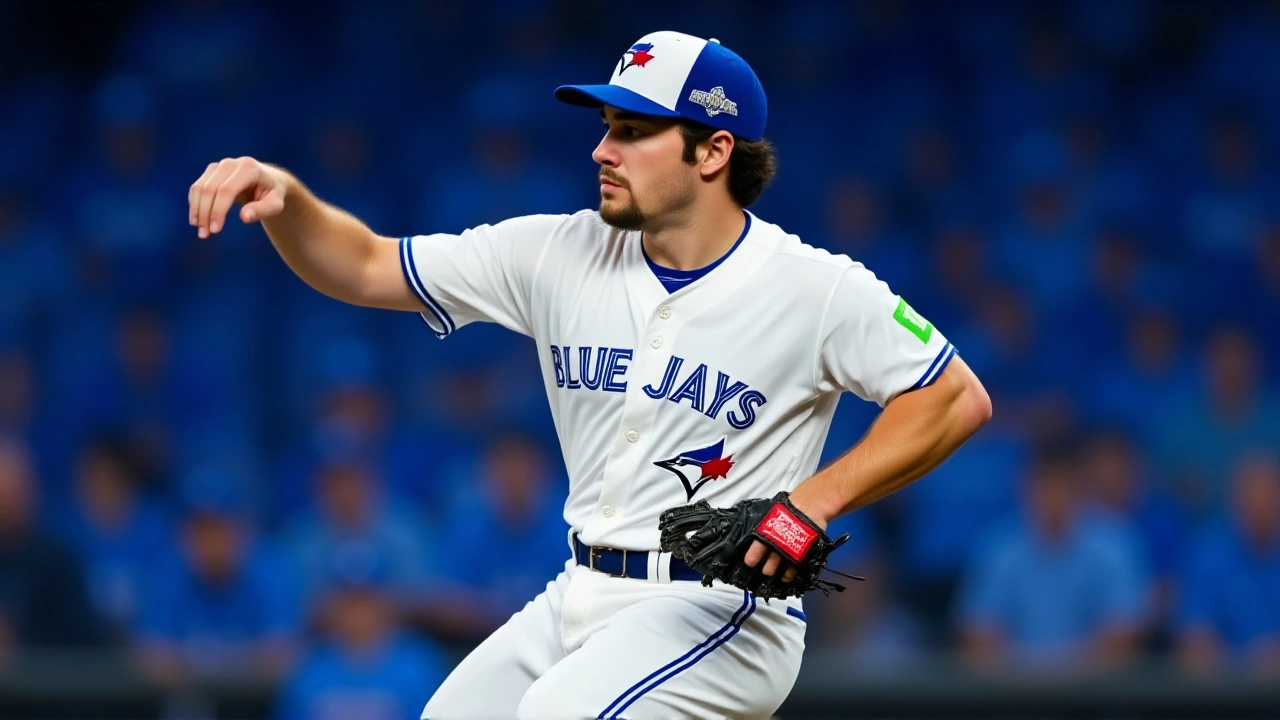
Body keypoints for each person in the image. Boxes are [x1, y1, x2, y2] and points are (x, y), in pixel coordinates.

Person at [187, 30, 990, 719]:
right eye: (607, 125)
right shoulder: (558, 251)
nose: (603, 149)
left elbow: (954, 396)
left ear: (713, 151)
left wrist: (807, 507)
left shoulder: (812, 287)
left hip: (718, 609)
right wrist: (287, 199)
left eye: (634, 129)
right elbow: (364, 266)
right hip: (580, 590)